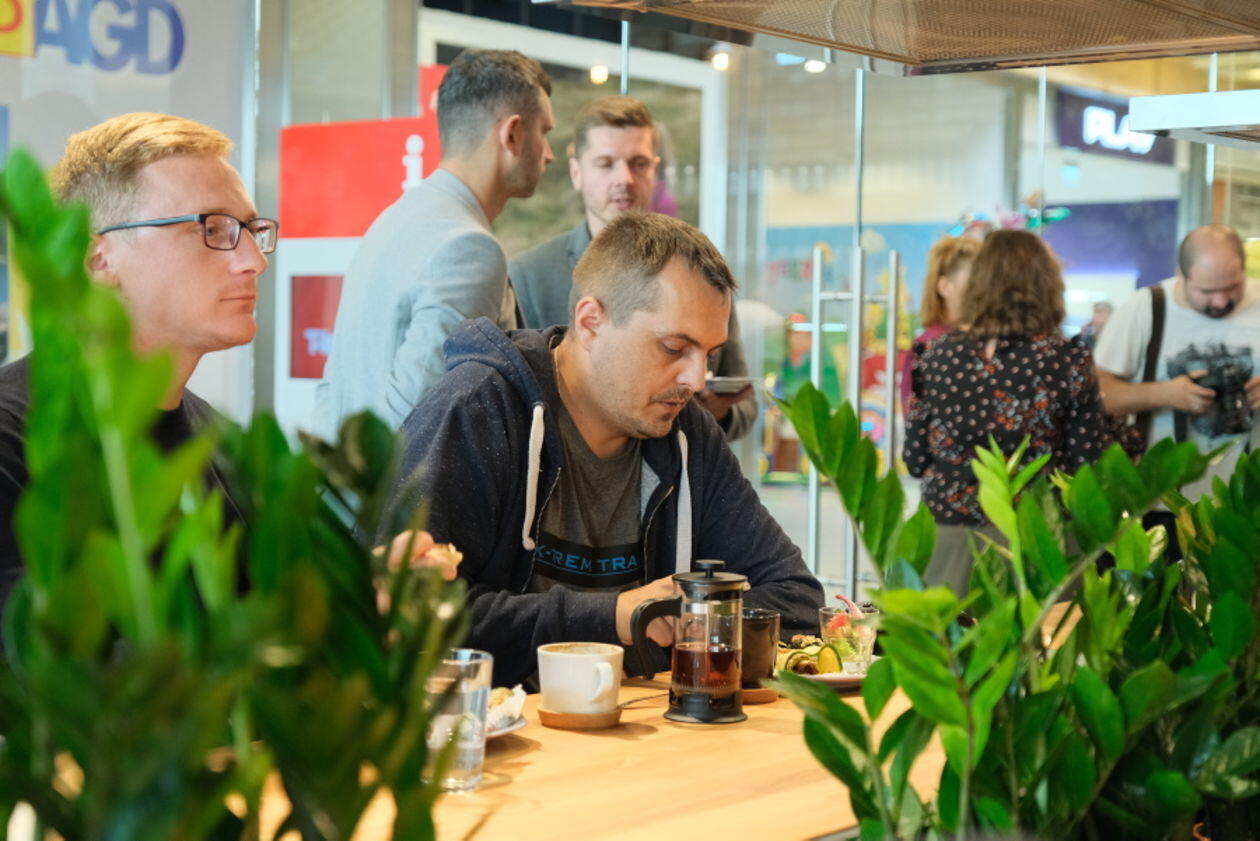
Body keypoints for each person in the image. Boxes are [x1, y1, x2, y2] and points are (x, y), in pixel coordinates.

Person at [0, 113, 451, 617]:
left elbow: (257, 622)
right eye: (212, 228)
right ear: (98, 259)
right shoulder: (13, 439)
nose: (254, 261)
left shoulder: (219, 442)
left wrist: (365, 594)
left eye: (252, 230)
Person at [389, 212, 824, 685]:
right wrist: (616, 617)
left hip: (643, 726)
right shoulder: (477, 411)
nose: (697, 380)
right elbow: (406, 615)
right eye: (673, 348)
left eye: (710, 355)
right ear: (591, 322)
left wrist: (675, 618)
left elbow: (797, 599)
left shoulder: (688, 436)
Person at [316, 49, 556, 437]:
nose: (549, 154)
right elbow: (421, 424)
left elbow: (333, 388)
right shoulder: (468, 247)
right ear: (512, 134)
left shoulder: (394, 218)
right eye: (544, 132)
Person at [508, 96, 757, 441]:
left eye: (638, 164)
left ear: (655, 171)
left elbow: (745, 406)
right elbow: (516, 404)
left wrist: (714, 413)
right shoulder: (530, 275)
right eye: (605, 164)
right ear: (577, 173)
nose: (624, 178)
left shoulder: (700, 273)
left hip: (678, 467)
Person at [905, 229, 1107, 597]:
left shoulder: (934, 355)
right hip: (1039, 536)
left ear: (978, 284)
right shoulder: (1068, 360)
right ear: (1048, 285)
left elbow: (915, 459)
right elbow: (1086, 464)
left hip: (948, 534)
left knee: (947, 633)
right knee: (1041, 633)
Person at [1094, 224, 1260, 541]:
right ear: (1181, 275)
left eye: (1233, 287)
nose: (1221, 301)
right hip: (1162, 504)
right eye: (1207, 292)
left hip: (1249, 503)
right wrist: (1165, 394)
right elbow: (1098, 394)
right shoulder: (1146, 308)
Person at [899, 235, 980, 411]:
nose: (984, 290)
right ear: (944, 287)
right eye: (974, 282)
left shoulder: (989, 340)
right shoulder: (927, 346)